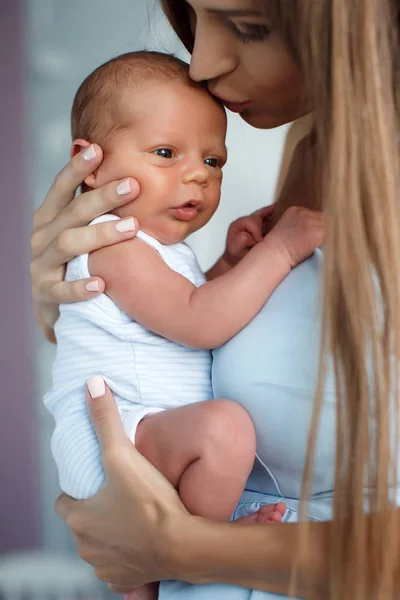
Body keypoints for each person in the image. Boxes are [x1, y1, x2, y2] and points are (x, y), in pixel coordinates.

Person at [30, 0, 400, 599]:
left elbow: (197, 318)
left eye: (249, 27)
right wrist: (57, 306)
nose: (201, 63)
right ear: (89, 163)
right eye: (166, 154)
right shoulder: (316, 147)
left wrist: (192, 550)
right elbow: (194, 324)